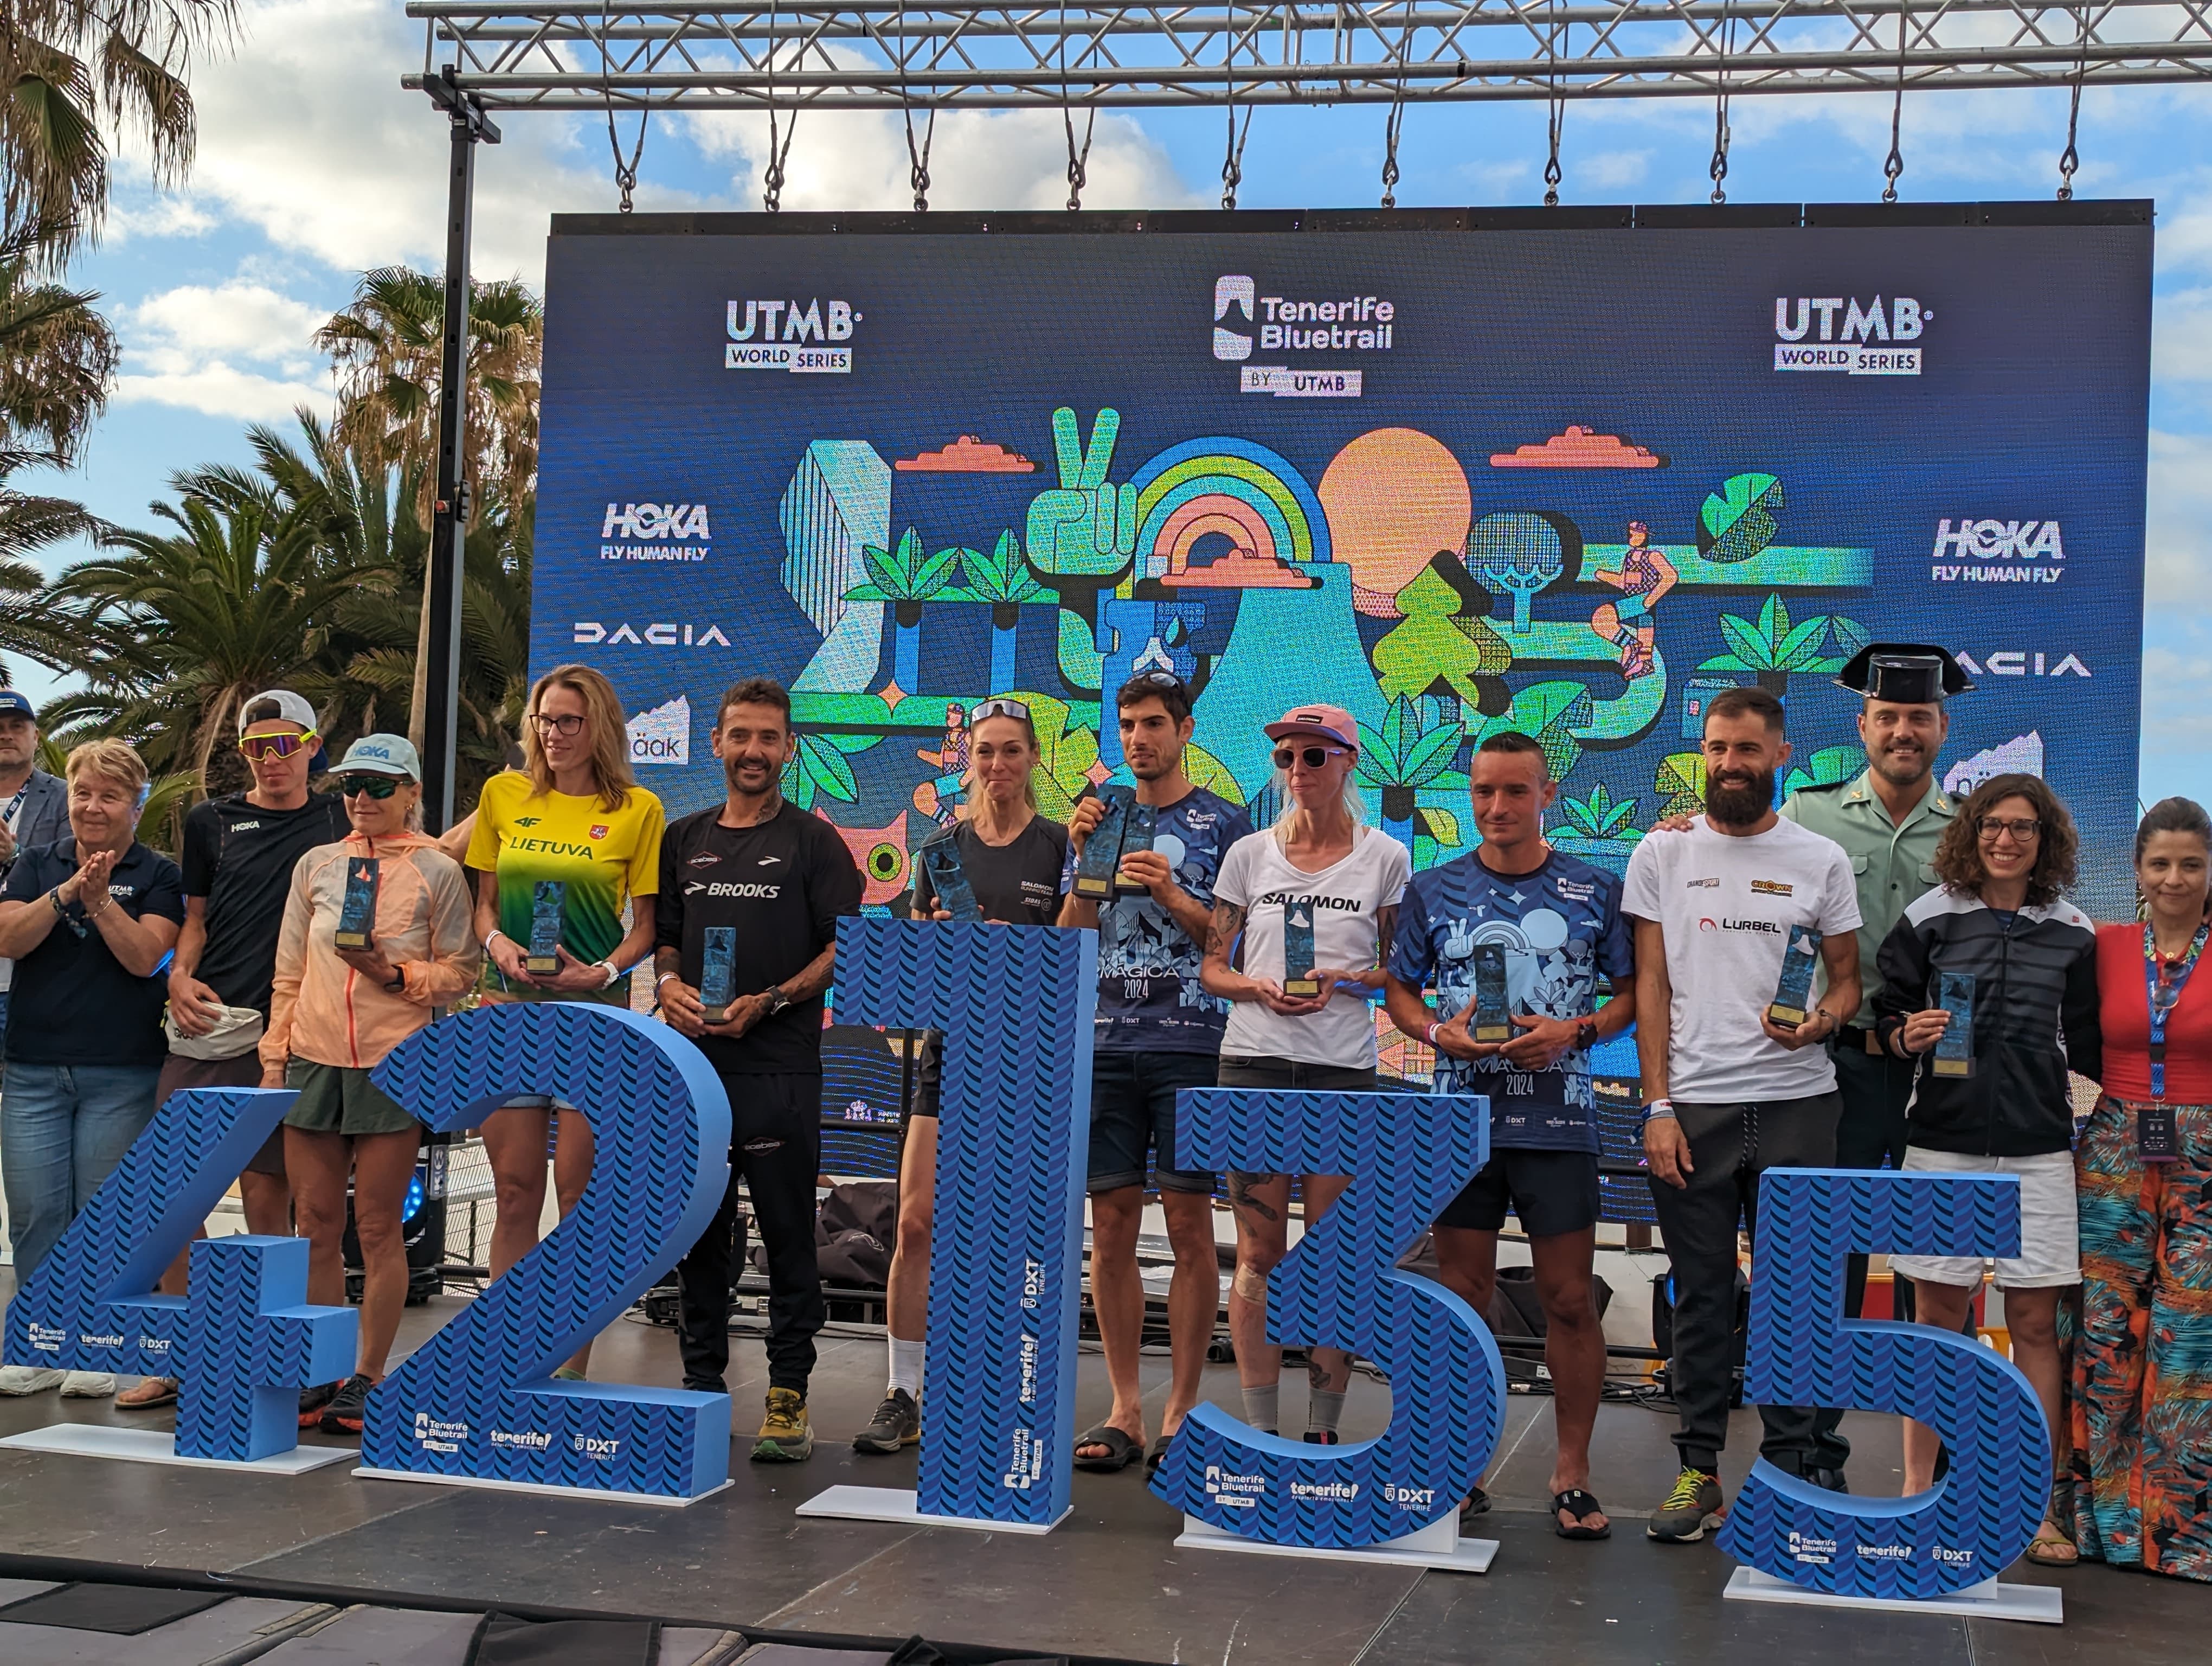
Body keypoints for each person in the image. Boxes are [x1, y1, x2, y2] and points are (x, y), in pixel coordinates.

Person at [1384, 730, 1636, 1539]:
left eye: (1515, 791)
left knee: (1568, 1300)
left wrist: (1575, 1032)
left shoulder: (1595, 888)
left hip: (1559, 1120)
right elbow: (1400, 991)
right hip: (1460, 1123)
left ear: (1547, 794)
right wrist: (1438, 1035)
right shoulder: (1432, 889)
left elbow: (1632, 995)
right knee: (1462, 1299)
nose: (1497, 807)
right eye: (1484, 792)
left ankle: (1572, 1474)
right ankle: (1460, 1469)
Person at [1625, 685, 1862, 1542]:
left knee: (1798, 1296)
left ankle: (1794, 1474)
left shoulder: (1821, 859)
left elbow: (1847, 981)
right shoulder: (1661, 851)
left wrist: (1822, 1022)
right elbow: (1650, 985)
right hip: (1694, 1106)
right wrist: (1657, 1104)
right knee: (1701, 1295)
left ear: (1780, 756)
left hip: (1800, 1104)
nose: (1730, 764)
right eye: (1718, 748)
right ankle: (1698, 1474)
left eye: (1748, 750)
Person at [1875, 771, 2098, 1568]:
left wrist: (2075, 1115)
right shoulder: (1929, 917)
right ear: (1971, 833)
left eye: (2023, 827)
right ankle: (1916, 1492)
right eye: (1993, 825)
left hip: (2039, 1153)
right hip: (1944, 1145)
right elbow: (1888, 1016)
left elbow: (2090, 1049)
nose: (2007, 840)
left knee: (2035, 1326)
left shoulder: (2074, 932)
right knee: (1937, 1322)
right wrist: (1905, 1035)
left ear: (2046, 839)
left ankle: (2031, 1508)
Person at [117, 693, 351, 1413]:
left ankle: (275, 1364)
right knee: (174, 1196)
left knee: (270, 1201)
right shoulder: (209, 820)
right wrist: (178, 977)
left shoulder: (341, 819)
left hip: (296, 1037)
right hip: (213, 1027)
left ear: (313, 747)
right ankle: (176, 1359)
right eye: (257, 747)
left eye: (285, 745)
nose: (271, 760)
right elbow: (195, 919)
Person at [854, 699, 1069, 1454]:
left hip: (1033, 1062)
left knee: (1013, 1236)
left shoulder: (1059, 847)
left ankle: (1001, 1397)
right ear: (968, 760)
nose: (998, 765)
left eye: (1011, 751)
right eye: (985, 752)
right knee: (915, 1225)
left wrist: (1023, 947)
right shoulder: (939, 850)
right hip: (950, 1055)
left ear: (1034, 758)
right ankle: (903, 1393)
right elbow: (912, 969)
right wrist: (933, 941)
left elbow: (1081, 955)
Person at [657, 678, 862, 1463]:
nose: (753, 751)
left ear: (789, 748)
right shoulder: (683, 838)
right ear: (716, 743)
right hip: (696, 1071)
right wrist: (669, 984)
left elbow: (844, 949)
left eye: (768, 738)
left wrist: (772, 1000)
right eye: (740, 736)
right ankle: (701, 1388)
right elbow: (666, 936)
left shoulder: (815, 843)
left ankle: (788, 1397)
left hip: (780, 1070)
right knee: (700, 1239)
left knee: (788, 1239)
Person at [1059, 671, 1252, 1476]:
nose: (1139, 739)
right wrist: (1083, 861)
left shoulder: (1226, 823)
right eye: (1129, 725)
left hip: (1191, 1044)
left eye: (1153, 725)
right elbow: (1069, 938)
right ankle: (1124, 1409)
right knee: (1108, 1231)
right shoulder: (1098, 816)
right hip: (1103, 1045)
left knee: (1187, 1227)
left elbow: (1230, 946)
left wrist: (1171, 891)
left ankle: (1182, 1409)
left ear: (1185, 730)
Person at [1201, 704, 1410, 1447]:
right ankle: (1263, 1431)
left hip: (1340, 1070)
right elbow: (1213, 968)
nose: (1297, 770)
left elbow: (1398, 972)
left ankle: (1322, 1435)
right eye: (1286, 757)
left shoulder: (1386, 857)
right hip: (1253, 1064)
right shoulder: (1248, 854)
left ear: (1349, 761)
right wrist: (1256, 987)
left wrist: (1345, 981)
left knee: (1333, 1258)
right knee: (1258, 1255)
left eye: (1315, 756)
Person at [269, 736, 479, 1436]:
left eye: (380, 785)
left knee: (379, 1227)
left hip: (395, 1062)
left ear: (413, 792)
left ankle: (369, 1373)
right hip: (313, 1058)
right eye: (352, 784)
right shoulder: (317, 865)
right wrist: (275, 1057)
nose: (362, 797)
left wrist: (396, 975)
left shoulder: (437, 870)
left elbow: (460, 971)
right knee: (314, 1224)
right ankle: (323, 1368)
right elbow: (290, 972)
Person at [465, 663, 662, 1382]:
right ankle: (505, 1365)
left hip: (592, 1020)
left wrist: (601, 973)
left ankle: (568, 1372)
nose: (554, 734)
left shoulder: (638, 809)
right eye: (544, 720)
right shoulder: (503, 795)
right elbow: (485, 907)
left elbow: (646, 927)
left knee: (577, 1199)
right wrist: (497, 944)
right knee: (515, 1194)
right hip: (509, 1014)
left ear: (598, 726)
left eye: (569, 721)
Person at [1783, 646, 1970, 1329]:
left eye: (1919, 718)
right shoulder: (1807, 815)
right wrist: (1683, 832)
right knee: (1826, 1265)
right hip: (1838, 1069)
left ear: (1942, 728)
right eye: (1887, 717)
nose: (1903, 732)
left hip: (1941, 1073)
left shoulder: (1976, 832)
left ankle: (1946, 1401)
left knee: (1942, 1265)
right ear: (1862, 726)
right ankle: (1816, 1406)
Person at [0, 739, 183, 1399]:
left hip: (120, 1072)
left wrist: (102, 901)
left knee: (102, 1217)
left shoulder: (159, 874)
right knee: (36, 1215)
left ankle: (101, 1348)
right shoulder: (35, 863)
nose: (93, 806)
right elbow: (8, 937)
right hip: (32, 1070)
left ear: (136, 806)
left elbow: (146, 958)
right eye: (83, 793)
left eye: (110, 796)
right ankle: (41, 1345)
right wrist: (65, 894)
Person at [2071, 796, 2212, 1581]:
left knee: (2190, 1338)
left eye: (2191, 864)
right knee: (2105, 1333)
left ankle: (2181, 1535)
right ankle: (2106, 1525)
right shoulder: (2105, 946)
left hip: (2205, 1157)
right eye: (2160, 863)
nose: (2175, 878)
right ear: (2137, 870)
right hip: (2116, 1148)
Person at [0, 688, 68, 1060]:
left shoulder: (66, 797)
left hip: (30, 980)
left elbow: (74, 870)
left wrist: (15, 855)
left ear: (36, 737)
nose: (6, 735)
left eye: (17, 727)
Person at [1591, 521, 1676, 682]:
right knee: (1645, 633)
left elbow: (1671, 577)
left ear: (1645, 536)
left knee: (1601, 617)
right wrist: (1603, 575)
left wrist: (1649, 600)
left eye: (1636, 532)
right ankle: (1643, 662)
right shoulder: (1629, 557)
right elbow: (1624, 582)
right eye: (1630, 532)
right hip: (1635, 600)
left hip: (1642, 600)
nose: (1631, 535)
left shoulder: (1653, 556)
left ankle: (1630, 644)